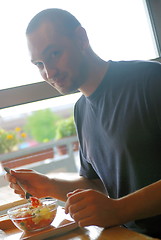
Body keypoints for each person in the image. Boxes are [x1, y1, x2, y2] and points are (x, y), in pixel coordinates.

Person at [5, 8, 161, 238]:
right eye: (39, 64)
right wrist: (48, 185)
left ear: (81, 39)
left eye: (55, 54)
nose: (49, 72)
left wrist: (118, 210)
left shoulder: (150, 80)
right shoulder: (81, 109)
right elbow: (99, 184)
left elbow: (115, 206)